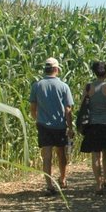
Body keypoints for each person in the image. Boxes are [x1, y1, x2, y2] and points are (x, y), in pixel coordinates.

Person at [29, 57, 74, 196]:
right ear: (56, 69)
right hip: (59, 125)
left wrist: (38, 119)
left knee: (46, 156)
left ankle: (49, 185)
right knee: (61, 154)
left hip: (43, 126)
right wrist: (70, 127)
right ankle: (63, 178)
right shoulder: (63, 86)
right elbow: (68, 110)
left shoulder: (37, 86)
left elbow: (32, 108)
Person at [79, 61, 106, 195]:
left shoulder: (88, 87)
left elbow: (82, 106)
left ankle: (98, 184)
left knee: (96, 155)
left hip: (93, 124)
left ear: (94, 73)